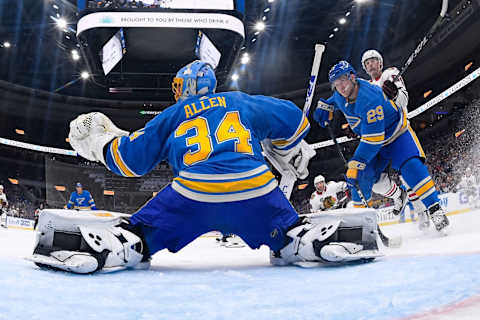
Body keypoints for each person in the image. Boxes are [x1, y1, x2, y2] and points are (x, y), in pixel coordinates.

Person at [30, 60, 381, 274]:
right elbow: (295, 120)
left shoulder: (172, 115)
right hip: (255, 186)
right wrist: (284, 150)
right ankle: (307, 241)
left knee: (136, 236)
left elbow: (130, 161)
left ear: (191, 87)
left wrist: (101, 144)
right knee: (287, 233)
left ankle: (111, 247)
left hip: (192, 192)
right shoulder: (241, 100)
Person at [314, 60, 449, 232]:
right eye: (336, 82)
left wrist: (356, 162)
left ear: (353, 77)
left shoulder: (370, 97)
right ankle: (366, 223)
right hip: (374, 140)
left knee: (411, 168)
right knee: (361, 179)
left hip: (395, 136)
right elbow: (336, 99)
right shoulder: (341, 94)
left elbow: (373, 139)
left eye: (343, 80)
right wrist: (326, 105)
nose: (340, 86)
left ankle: (435, 210)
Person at [360, 49, 409, 215]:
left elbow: (404, 100)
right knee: (375, 181)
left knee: (410, 173)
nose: (371, 64)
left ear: (380, 63)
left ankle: (427, 212)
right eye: (367, 63)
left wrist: (394, 94)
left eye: (373, 61)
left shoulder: (391, 73)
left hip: (397, 133)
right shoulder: (366, 89)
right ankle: (398, 196)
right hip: (380, 141)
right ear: (365, 69)